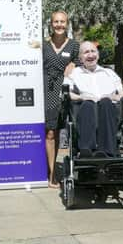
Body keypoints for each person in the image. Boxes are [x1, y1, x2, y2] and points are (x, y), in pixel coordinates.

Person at [65, 41, 123, 157]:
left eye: (93, 51)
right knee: (88, 103)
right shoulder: (75, 73)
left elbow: (122, 95)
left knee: (105, 102)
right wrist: (81, 97)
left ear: (97, 54)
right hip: (85, 112)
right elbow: (66, 93)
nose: (90, 55)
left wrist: (112, 96)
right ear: (80, 58)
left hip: (108, 111)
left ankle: (106, 150)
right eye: (86, 52)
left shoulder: (109, 73)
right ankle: (86, 150)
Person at [42, 10, 80, 188]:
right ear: (51, 24)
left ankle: (59, 171)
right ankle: (51, 173)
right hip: (45, 90)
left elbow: (83, 63)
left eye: (62, 22)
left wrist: (74, 64)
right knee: (49, 132)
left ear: (67, 24)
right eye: (56, 22)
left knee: (60, 132)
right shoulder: (43, 45)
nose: (59, 25)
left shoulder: (74, 46)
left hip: (64, 92)